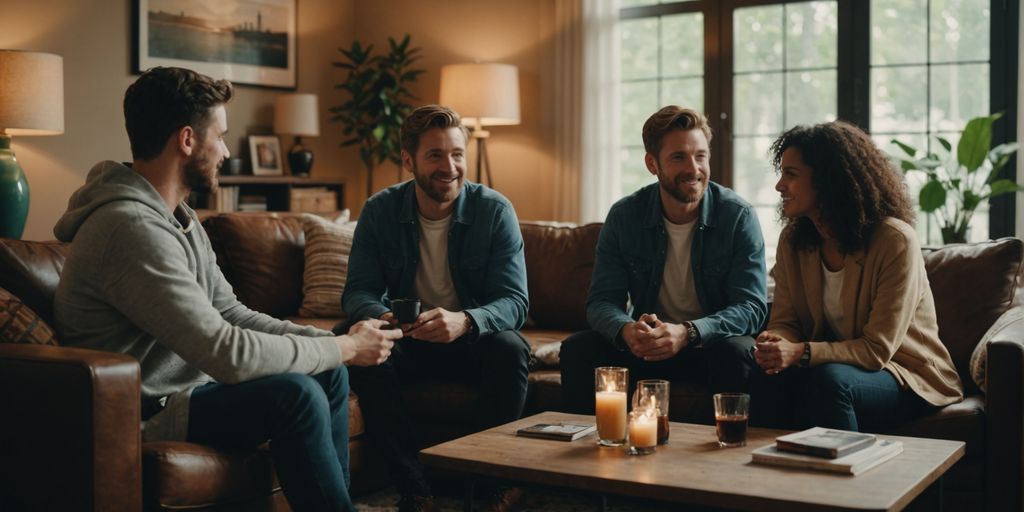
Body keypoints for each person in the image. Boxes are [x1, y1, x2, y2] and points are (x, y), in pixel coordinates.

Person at [52, 67, 401, 512]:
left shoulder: (179, 217)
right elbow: (226, 350)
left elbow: (231, 313)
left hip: (192, 392)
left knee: (327, 370)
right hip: (149, 411)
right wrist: (347, 348)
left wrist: (335, 344)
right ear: (186, 140)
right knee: (296, 394)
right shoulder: (128, 228)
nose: (226, 151)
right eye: (220, 136)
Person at [341, 104, 531, 512]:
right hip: (407, 338)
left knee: (512, 348)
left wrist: (465, 320)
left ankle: (489, 484)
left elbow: (515, 301)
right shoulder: (380, 210)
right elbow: (358, 291)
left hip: (472, 341)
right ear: (408, 160)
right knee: (362, 347)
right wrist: (381, 316)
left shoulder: (495, 211)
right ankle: (414, 488)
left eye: (457, 154)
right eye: (435, 155)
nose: (450, 166)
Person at [750, 120, 964, 432]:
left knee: (832, 381)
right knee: (762, 373)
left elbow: (876, 350)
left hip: (904, 374)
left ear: (828, 180)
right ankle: (765, 477)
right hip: (832, 365)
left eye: (791, 174)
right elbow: (786, 320)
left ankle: (842, 479)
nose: (780, 185)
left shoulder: (895, 241)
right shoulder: (794, 240)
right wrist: (775, 344)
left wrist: (800, 352)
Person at [559, 105, 768, 418]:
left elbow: (751, 308)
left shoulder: (738, 216)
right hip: (646, 348)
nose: (694, 168)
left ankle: (726, 456)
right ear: (651, 163)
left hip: (709, 347)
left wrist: (687, 332)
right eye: (678, 157)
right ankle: (588, 451)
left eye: (701, 155)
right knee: (579, 349)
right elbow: (601, 302)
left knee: (736, 352)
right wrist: (626, 330)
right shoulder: (624, 216)